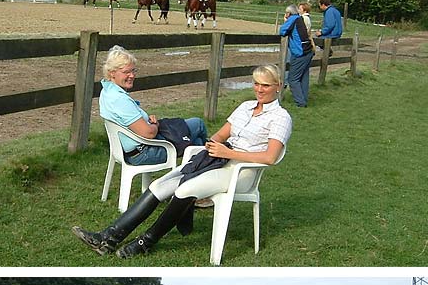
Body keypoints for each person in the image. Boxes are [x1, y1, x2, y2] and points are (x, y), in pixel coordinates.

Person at [73, 64, 291, 258]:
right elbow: (219, 135)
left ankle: (145, 242)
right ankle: (109, 237)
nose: (259, 90)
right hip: (219, 159)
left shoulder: (281, 117)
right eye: (256, 84)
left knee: (184, 189)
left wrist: (229, 154)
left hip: (242, 172)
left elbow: (270, 157)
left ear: (278, 85)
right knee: (159, 185)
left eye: (266, 85)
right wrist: (211, 148)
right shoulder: (245, 107)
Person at [99, 45, 207, 167]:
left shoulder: (107, 91)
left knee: (196, 143)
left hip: (134, 149)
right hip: (144, 152)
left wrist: (148, 121)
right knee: (198, 124)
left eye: (133, 71)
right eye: (126, 72)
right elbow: (148, 133)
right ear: (112, 73)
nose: (132, 76)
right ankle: (208, 163)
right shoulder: (119, 99)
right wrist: (155, 125)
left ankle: (200, 168)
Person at [279, 4, 314, 107]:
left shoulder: (293, 19)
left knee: (292, 79)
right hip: (308, 51)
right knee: (303, 77)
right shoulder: (300, 19)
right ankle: (303, 99)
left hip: (300, 53)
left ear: (289, 13)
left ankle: (300, 102)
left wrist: (285, 21)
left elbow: (282, 31)